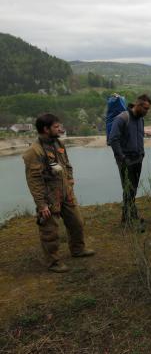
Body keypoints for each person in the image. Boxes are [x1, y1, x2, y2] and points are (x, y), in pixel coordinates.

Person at [23, 114, 95, 273]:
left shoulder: (59, 143)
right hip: (49, 197)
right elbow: (34, 181)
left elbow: (67, 165)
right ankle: (53, 262)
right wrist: (41, 205)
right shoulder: (33, 152)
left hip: (66, 192)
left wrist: (70, 181)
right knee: (50, 232)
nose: (60, 129)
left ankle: (78, 249)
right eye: (56, 127)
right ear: (45, 129)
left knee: (77, 222)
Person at [109, 94, 151, 225]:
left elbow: (139, 138)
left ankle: (130, 216)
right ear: (137, 105)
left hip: (138, 159)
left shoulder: (140, 119)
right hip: (126, 161)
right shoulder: (122, 118)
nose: (146, 111)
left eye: (148, 109)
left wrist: (142, 153)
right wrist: (122, 158)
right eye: (145, 108)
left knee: (133, 189)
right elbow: (113, 139)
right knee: (128, 189)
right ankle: (127, 219)